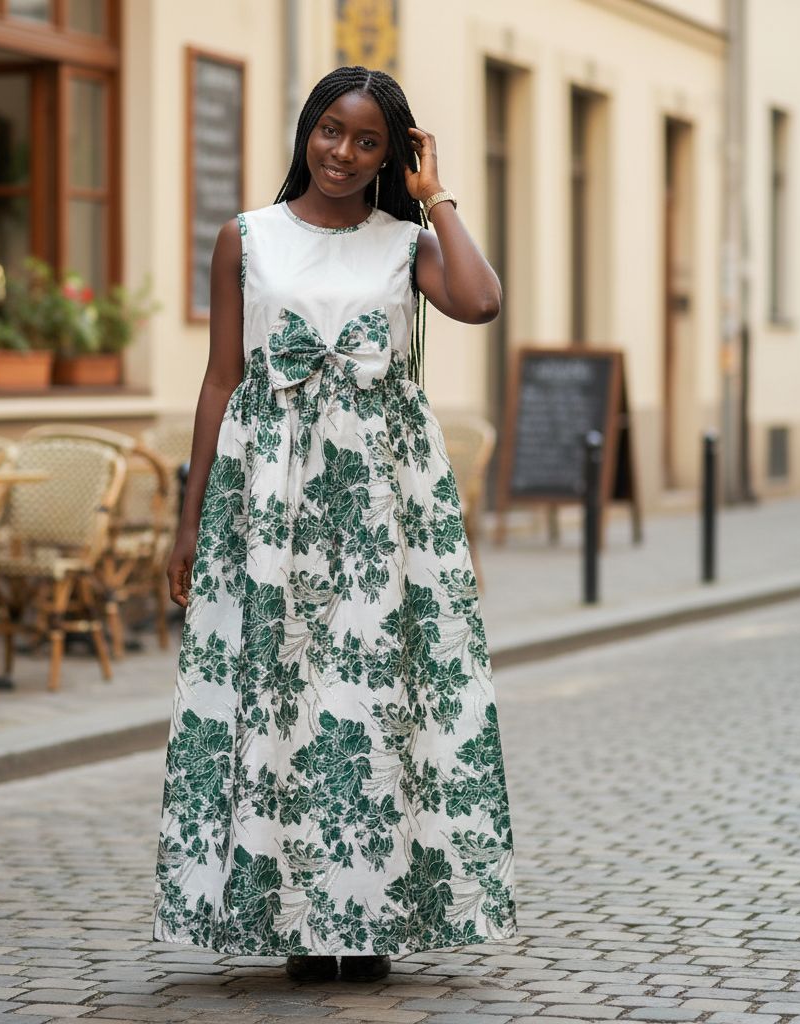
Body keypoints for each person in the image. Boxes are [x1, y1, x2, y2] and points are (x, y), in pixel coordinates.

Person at [151, 66, 516, 983]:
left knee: (371, 704)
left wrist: (440, 200)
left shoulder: (407, 242)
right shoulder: (245, 239)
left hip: (380, 507)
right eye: (331, 131)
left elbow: (479, 302)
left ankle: (371, 914)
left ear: (392, 156)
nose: (344, 154)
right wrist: (190, 518)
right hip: (266, 501)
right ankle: (292, 917)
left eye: (368, 143)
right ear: (306, 128)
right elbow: (220, 379)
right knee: (278, 699)